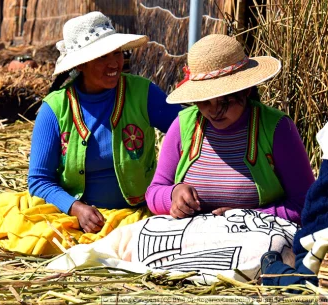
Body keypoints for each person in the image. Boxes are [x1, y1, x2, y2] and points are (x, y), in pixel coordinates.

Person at [28, 11, 182, 234]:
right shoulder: (54, 109)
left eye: (117, 53)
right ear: (81, 65)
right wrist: (75, 208)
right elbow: (39, 180)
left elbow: (187, 131)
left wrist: (173, 185)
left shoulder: (142, 93)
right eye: (102, 57)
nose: (114, 63)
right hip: (79, 223)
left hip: (140, 216)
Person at [145, 34, 314, 225]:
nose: (214, 110)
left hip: (257, 239)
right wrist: (173, 195)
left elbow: (306, 204)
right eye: (204, 101)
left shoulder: (277, 129)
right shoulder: (184, 125)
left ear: (246, 90)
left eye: (225, 100)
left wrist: (249, 217)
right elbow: (153, 192)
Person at [260, 122, 328, 287]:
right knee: (306, 286)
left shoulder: (275, 125)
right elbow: (320, 207)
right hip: (319, 243)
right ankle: (273, 270)